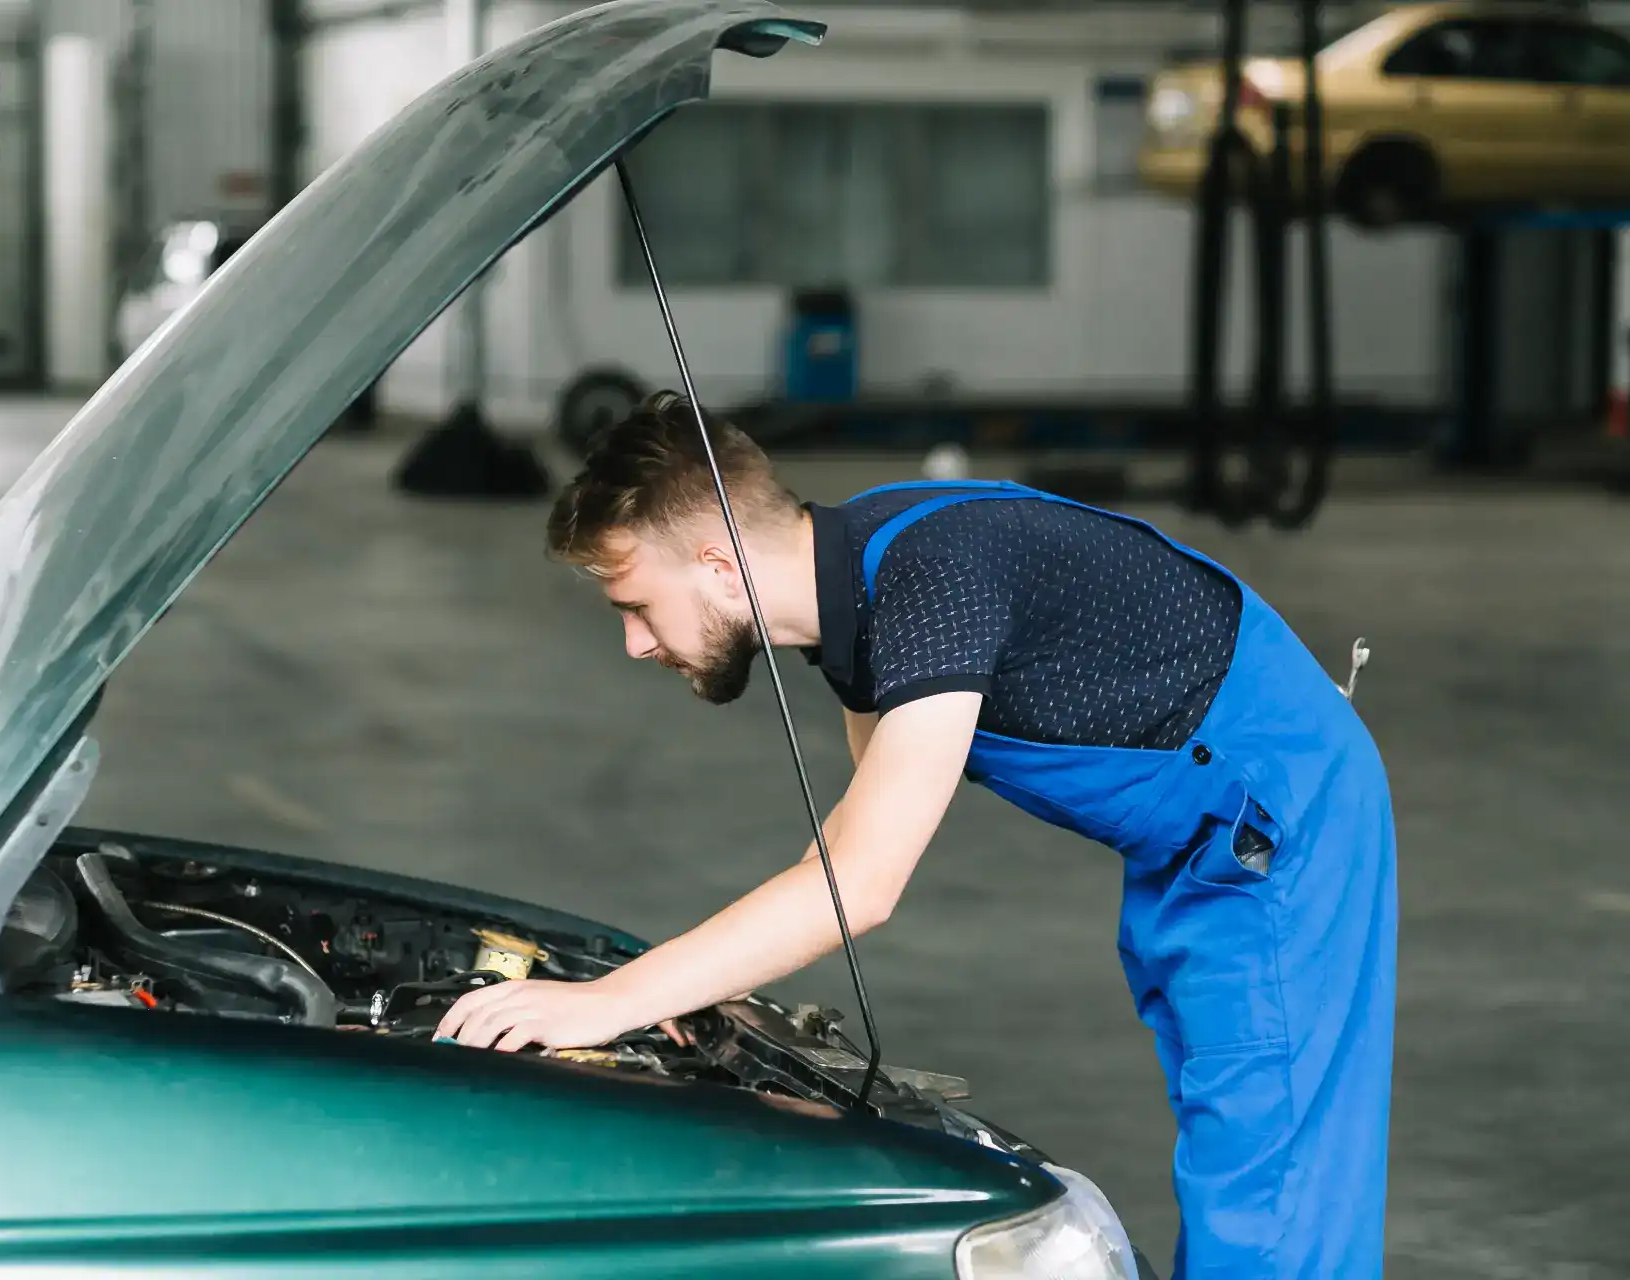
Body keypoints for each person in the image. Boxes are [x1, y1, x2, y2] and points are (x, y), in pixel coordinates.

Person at [436, 391, 1398, 1280]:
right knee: (1232, 1140)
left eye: (637, 607)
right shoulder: (855, 584)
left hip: (1277, 822)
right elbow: (846, 841)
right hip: (1191, 843)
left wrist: (607, 1002)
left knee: (1271, 1193)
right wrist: (699, 991)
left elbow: (862, 885)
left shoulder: (931, 585)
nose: (637, 644)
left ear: (718, 563)